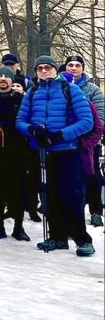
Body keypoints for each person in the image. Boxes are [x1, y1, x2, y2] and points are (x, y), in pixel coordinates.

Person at [17, 55, 95, 256]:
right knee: (49, 196)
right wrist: (33, 130)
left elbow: (87, 121)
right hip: (43, 151)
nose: (44, 71)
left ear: (55, 69)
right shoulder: (32, 92)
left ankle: (82, 239)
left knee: (70, 195)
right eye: (40, 68)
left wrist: (60, 134)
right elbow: (20, 121)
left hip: (66, 151)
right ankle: (57, 237)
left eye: (48, 67)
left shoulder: (71, 90)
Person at [0, 68, 29, 241]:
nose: (3, 79)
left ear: (11, 81)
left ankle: (19, 227)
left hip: (17, 150)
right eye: (0, 76)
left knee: (17, 189)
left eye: (7, 77)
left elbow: (24, 120)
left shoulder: (20, 99)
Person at [64, 55, 104, 228]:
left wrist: (90, 140)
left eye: (77, 65)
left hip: (88, 142)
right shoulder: (61, 87)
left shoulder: (93, 89)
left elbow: (100, 116)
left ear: (82, 68)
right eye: (70, 65)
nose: (73, 68)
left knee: (93, 175)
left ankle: (96, 211)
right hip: (66, 141)